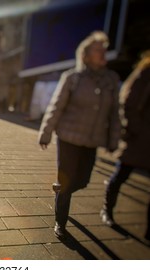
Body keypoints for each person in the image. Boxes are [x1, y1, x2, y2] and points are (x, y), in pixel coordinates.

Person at [38, 31, 121, 239]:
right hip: (68, 138)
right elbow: (55, 107)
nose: (102, 52)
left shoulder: (111, 80)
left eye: (104, 49)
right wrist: (46, 133)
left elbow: (114, 113)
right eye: (97, 49)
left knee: (83, 181)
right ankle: (60, 223)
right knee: (66, 182)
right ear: (85, 55)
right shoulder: (73, 78)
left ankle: (61, 191)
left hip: (91, 141)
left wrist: (113, 139)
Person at [100, 50, 150, 241]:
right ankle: (107, 209)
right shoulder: (145, 71)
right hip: (140, 138)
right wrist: (135, 129)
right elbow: (128, 100)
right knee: (121, 175)